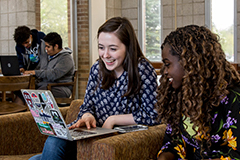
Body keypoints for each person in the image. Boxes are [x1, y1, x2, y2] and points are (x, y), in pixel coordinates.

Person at [29, 17, 159, 160]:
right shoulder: (97, 68)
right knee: (53, 141)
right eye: (101, 47)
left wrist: (113, 120)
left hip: (119, 136)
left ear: (128, 46)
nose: (105, 55)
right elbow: (87, 106)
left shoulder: (142, 69)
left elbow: (153, 115)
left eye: (113, 49)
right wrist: (87, 115)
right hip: (93, 132)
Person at [156, 25, 240, 160]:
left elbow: (236, 156)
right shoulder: (180, 95)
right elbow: (173, 143)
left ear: (188, 63)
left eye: (167, 64)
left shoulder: (233, 99)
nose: (165, 72)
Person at [24, 32, 75, 100]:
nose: (46, 48)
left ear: (56, 46)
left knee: (37, 94)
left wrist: (35, 72)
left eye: (48, 46)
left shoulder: (66, 58)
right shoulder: (47, 56)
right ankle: (22, 110)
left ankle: (33, 110)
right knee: (24, 92)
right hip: (45, 85)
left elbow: (54, 74)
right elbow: (41, 69)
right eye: (45, 46)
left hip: (61, 88)